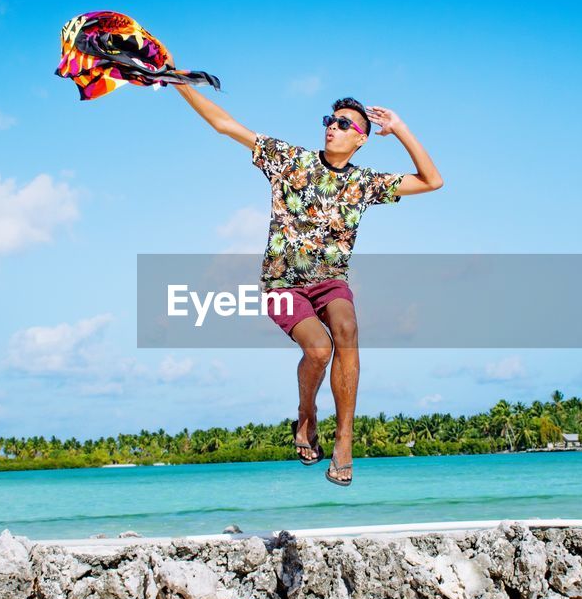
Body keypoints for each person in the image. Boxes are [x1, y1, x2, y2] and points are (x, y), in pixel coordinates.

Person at [171, 61, 443, 486]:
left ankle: (345, 437)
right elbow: (224, 124)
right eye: (329, 121)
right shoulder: (289, 161)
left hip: (331, 281)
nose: (331, 127)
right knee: (318, 350)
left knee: (347, 329)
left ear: (362, 138)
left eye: (343, 123)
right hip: (282, 283)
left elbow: (432, 181)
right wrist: (179, 84)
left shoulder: (364, 183)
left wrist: (402, 128)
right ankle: (307, 414)